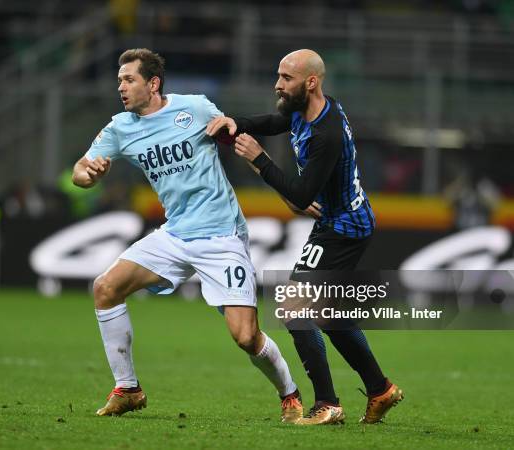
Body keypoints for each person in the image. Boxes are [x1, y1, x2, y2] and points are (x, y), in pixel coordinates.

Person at [72, 48, 304, 422]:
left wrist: (291, 194)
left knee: (245, 337)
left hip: (222, 236)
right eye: (119, 80)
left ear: (153, 83)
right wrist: (89, 175)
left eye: (129, 79)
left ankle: (289, 394)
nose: (121, 87)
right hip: (175, 235)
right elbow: (79, 170)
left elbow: (238, 142)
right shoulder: (120, 127)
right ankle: (128, 388)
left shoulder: (194, 109)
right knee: (105, 288)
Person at [207, 49, 403, 425]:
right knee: (326, 316)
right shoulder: (305, 109)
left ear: (310, 82)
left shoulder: (326, 134)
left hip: (344, 227)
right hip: (338, 221)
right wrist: (236, 122)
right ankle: (380, 390)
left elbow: (299, 197)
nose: (277, 84)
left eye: (286, 78)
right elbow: (274, 120)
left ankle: (328, 404)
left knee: (295, 309)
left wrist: (260, 159)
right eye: (278, 75)